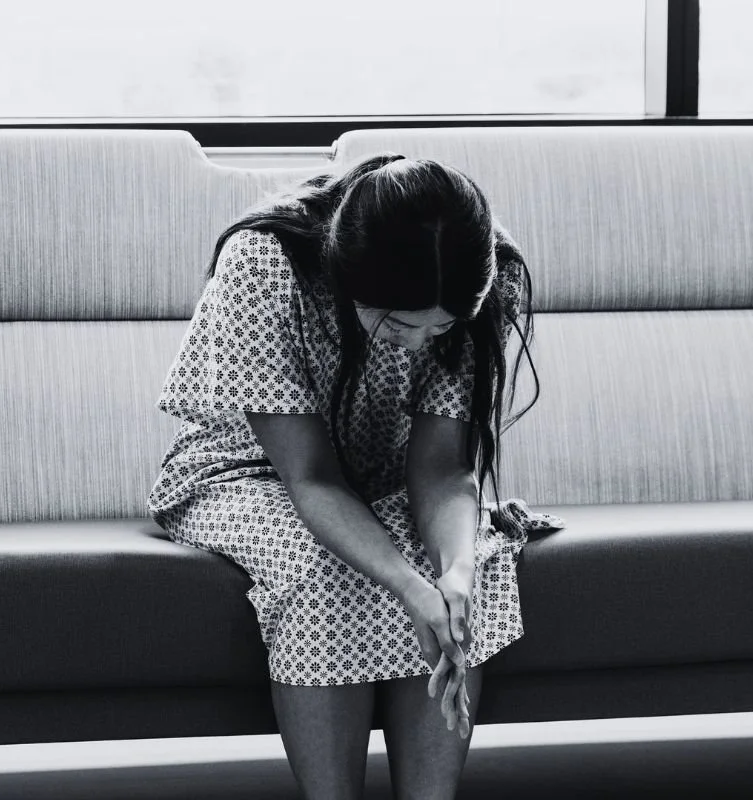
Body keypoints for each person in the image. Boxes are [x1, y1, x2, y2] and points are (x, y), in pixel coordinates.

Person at [146, 152, 544, 800]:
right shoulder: (263, 262)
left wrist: (454, 576)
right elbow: (310, 477)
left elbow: (443, 469)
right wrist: (406, 586)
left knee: (470, 571)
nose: (418, 343)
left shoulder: (485, 274)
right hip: (245, 468)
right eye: (397, 322)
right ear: (346, 280)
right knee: (323, 568)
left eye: (440, 328)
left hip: (382, 476)